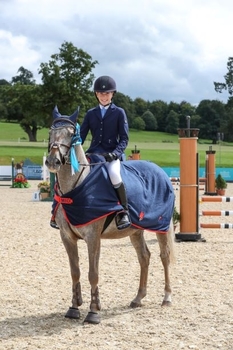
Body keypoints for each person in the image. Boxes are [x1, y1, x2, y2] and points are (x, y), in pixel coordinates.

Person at [80, 75, 131, 230]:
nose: (104, 96)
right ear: (96, 94)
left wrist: (115, 154)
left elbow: (124, 138)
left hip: (111, 155)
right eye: (101, 94)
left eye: (107, 93)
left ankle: (123, 211)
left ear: (112, 94)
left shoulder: (119, 112)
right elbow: (81, 136)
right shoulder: (90, 113)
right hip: (94, 154)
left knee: (114, 175)